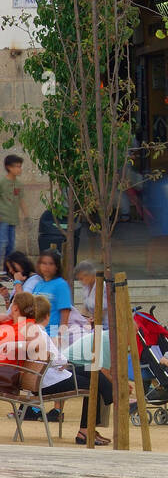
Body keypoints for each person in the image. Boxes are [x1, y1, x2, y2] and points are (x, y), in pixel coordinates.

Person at [27, 294, 113, 445]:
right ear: (47, 316)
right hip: (50, 381)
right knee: (93, 384)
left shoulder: (29, 330)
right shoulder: (40, 333)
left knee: (92, 372)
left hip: (42, 379)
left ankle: (108, 397)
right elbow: (60, 361)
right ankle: (86, 430)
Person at [31, 250, 73, 347]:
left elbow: (65, 313)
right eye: (44, 263)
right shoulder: (38, 284)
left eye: (51, 264)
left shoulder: (61, 285)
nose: (47, 267)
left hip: (52, 335)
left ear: (56, 266)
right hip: (37, 333)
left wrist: (60, 337)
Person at [0, 155, 24, 260]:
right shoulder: (2, 182)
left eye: (20, 166)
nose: (19, 169)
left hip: (13, 220)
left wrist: (26, 215)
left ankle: (6, 271)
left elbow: (21, 200)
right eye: (17, 166)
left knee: (11, 246)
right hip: (2, 219)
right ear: (9, 167)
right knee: (2, 243)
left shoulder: (18, 184)